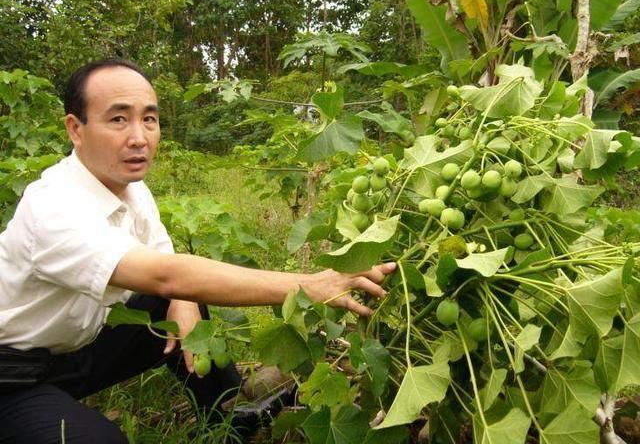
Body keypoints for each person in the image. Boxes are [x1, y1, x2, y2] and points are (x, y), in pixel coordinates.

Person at [0, 59, 395, 443]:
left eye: (149, 119)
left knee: (180, 299)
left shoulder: (130, 187)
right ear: (76, 129)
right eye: (118, 119)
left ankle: (227, 415)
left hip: (74, 352)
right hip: (11, 376)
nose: (139, 137)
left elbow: (165, 265)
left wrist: (182, 301)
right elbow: (167, 275)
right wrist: (312, 284)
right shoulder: (53, 207)